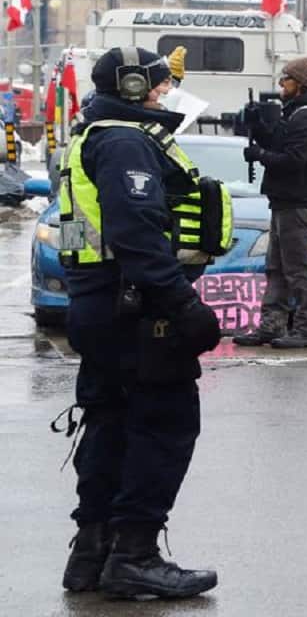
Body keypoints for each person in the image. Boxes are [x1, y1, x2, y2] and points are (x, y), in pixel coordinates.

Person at [57, 46, 227, 599]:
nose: (163, 93)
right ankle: (135, 554)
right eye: (155, 85)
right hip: (135, 309)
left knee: (109, 422)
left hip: (102, 304)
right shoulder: (126, 141)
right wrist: (183, 306)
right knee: (165, 425)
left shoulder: (95, 135)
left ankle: (93, 551)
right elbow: (136, 234)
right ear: (132, 88)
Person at [233, 57, 307, 349]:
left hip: (298, 201)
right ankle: (272, 325)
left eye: (285, 79)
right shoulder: (296, 112)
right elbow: (280, 144)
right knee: (275, 267)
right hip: (285, 201)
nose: (280, 85)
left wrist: (259, 155)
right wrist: (257, 126)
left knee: (300, 268)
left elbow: (293, 160)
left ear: (300, 84)